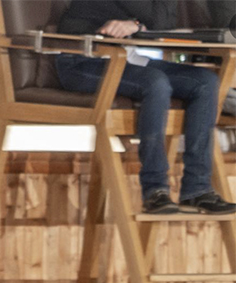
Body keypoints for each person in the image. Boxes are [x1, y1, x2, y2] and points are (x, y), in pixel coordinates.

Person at [55, 0, 235, 215]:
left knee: (206, 82)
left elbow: (162, 24)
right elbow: (161, 21)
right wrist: (138, 24)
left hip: (124, 59)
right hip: (80, 61)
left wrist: (136, 25)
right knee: (155, 82)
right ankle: (155, 190)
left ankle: (196, 190)